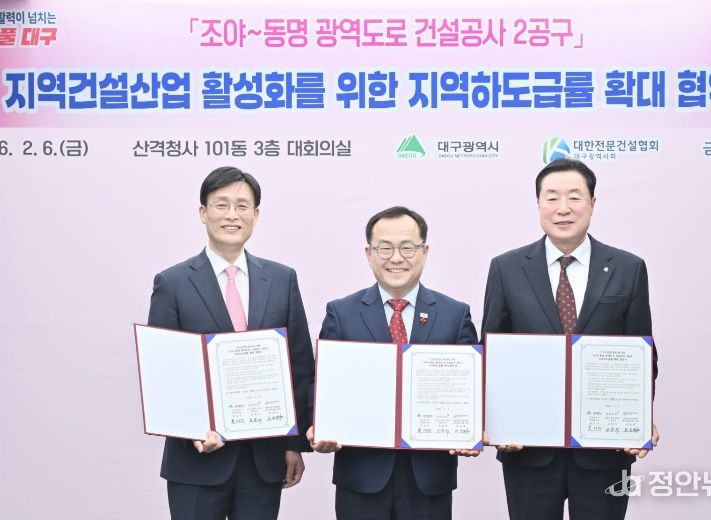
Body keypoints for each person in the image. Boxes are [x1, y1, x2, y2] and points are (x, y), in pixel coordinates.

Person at [481, 158, 660, 520]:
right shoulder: (506, 268)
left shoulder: (628, 268)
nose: (563, 208)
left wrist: (639, 416)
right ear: (538, 205)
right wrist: (494, 419)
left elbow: (643, 355)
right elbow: (491, 354)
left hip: (604, 448)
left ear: (593, 203)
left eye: (574, 197)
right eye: (552, 197)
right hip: (527, 446)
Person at [147, 166, 314, 520]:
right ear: (203, 213)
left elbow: (299, 366)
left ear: (256, 215)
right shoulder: (172, 283)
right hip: (196, 461)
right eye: (221, 205)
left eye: (242, 206)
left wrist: (293, 443)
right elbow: (163, 372)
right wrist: (191, 430)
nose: (231, 215)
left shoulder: (282, 279)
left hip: (263, 460)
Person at [306, 206, 479, 520]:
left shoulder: (455, 315)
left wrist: (472, 430)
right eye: (384, 248)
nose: (396, 258)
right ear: (369, 254)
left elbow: (472, 388)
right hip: (361, 477)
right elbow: (322, 384)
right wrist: (318, 426)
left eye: (407, 247)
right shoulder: (342, 313)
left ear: (424, 252)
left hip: (429, 479)